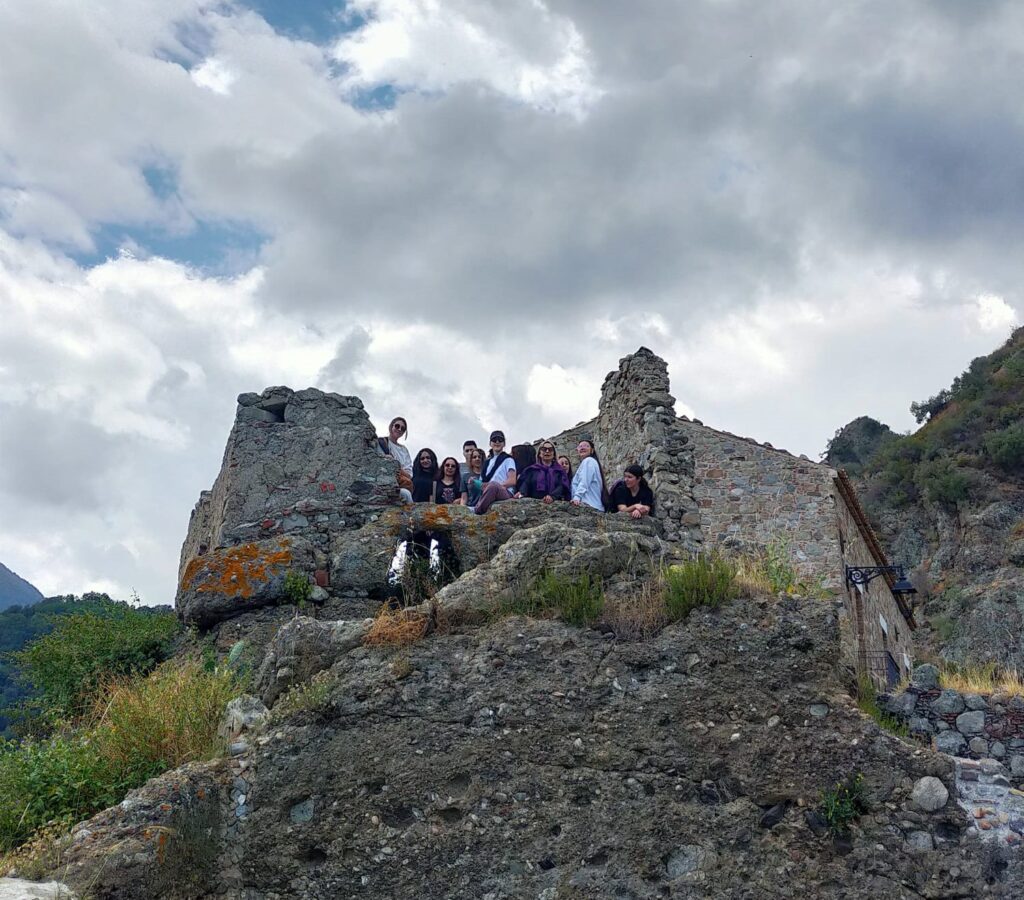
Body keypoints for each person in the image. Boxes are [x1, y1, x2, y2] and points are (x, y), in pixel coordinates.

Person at [474, 431, 517, 513]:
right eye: (494, 439)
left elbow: (512, 481)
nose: (497, 442)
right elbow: (482, 484)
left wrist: (496, 486)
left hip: (505, 491)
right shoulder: (486, 463)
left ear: (504, 444)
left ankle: (477, 511)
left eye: (500, 440)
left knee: (493, 485)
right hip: (489, 491)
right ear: (490, 443)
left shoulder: (509, 460)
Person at [379, 416, 413, 502]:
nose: (399, 429)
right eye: (397, 426)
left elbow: (409, 474)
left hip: (400, 484)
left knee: (406, 494)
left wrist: (395, 464)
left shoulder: (404, 450)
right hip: (383, 483)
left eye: (403, 428)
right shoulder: (381, 442)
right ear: (391, 426)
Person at [571, 439, 609, 511]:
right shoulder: (589, 462)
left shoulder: (589, 461)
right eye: (580, 446)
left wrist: (577, 497)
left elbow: (585, 481)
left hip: (589, 505)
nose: (582, 448)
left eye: (586, 446)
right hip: (593, 506)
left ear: (592, 450)